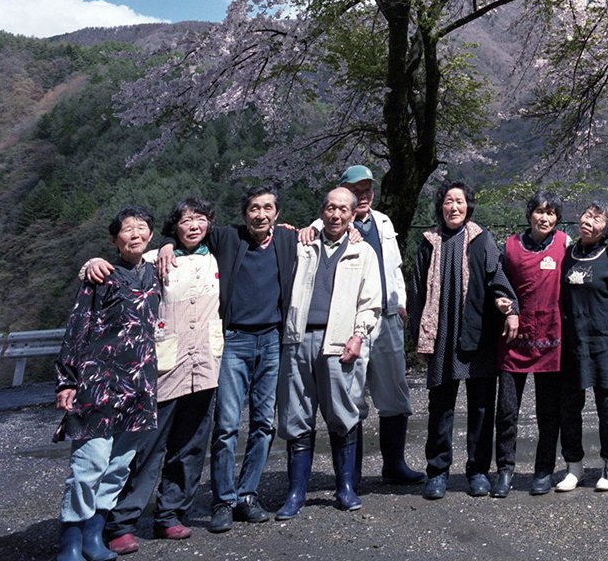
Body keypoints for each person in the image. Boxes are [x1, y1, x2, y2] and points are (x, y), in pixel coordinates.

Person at [101, 198, 222, 554]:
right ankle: (121, 521)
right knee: (147, 448)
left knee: (191, 445)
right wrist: (92, 264)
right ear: (174, 226)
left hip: (206, 365)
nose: (194, 226)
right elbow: (121, 269)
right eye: (186, 220)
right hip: (164, 369)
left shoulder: (217, 256)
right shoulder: (156, 259)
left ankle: (170, 514)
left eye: (201, 219)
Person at [175, 184, 297, 533]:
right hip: (235, 341)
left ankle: (247, 495)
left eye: (268, 208)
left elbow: (322, 230)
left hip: (272, 340)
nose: (261, 214)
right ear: (245, 213)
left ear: (277, 213)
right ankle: (222, 500)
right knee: (227, 426)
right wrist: (168, 245)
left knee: (263, 424)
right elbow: (188, 235)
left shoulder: (288, 241)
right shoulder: (229, 238)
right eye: (254, 208)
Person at [54, 208, 161, 561]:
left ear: (150, 236)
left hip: (140, 386)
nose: (135, 234)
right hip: (98, 384)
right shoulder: (100, 276)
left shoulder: (156, 273)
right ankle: (70, 540)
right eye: (127, 229)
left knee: (117, 467)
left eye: (142, 228)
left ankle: (93, 536)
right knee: (89, 465)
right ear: (115, 239)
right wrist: (66, 380)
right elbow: (77, 327)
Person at [275, 186, 382, 519]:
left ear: (353, 215)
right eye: (330, 208)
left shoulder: (363, 252)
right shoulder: (303, 245)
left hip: (339, 341)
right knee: (296, 415)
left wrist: (358, 335)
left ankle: (346, 487)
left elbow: (371, 302)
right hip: (298, 339)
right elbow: (271, 236)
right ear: (322, 211)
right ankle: (296, 493)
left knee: (343, 414)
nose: (336, 215)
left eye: (343, 210)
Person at [408, 180, 517, 500]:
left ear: (469, 206)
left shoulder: (482, 240)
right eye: (447, 202)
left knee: (481, 406)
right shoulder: (429, 242)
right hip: (442, 336)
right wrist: (420, 335)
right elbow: (416, 292)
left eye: (459, 202)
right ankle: (438, 471)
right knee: (440, 406)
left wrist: (504, 304)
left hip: (478, 334)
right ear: (440, 206)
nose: (454, 207)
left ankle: (478, 470)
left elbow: (497, 278)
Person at [333, 164, 423, 485]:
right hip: (351, 322)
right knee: (352, 396)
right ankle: (350, 473)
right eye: (356, 190)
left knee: (395, 393)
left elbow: (394, 265)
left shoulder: (382, 221)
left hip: (387, 318)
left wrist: (400, 305)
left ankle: (394, 465)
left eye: (368, 189)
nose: (364, 195)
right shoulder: (332, 223)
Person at [493, 191, 568, 497]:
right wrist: (507, 307)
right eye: (539, 211)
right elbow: (498, 282)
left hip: (551, 336)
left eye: (550, 213)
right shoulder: (510, 247)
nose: (544, 217)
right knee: (508, 410)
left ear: (557, 219)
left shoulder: (565, 244)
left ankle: (543, 470)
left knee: (548, 411)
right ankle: (505, 470)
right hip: (515, 337)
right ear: (529, 215)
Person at [557, 201, 608, 493]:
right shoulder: (567, 255)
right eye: (587, 214)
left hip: (605, 343)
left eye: (597, 218)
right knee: (569, 407)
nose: (589, 220)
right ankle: (573, 466)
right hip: (572, 343)